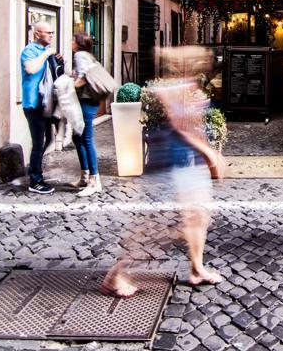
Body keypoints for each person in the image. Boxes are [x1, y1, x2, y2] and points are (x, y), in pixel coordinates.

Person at [101, 46, 225, 297]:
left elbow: (195, 125)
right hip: (170, 164)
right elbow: (182, 127)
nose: (205, 64)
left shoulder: (189, 87)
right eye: (199, 60)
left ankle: (197, 268)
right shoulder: (171, 89)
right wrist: (210, 154)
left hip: (188, 164)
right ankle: (116, 274)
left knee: (199, 217)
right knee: (155, 227)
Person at [20, 21, 63, 194]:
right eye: (48, 33)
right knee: (38, 143)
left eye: (52, 33)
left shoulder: (47, 52)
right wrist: (46, 55)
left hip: (46, 105)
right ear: (37, 34)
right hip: (33, 104)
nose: (51, 35)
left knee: (49, 140)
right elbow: (31, 69)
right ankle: (35, 180)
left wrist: (59, 62)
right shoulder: (29, 51)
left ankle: (35, 168)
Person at [71, 33, 102, 197]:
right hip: (90, 101)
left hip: (86, 101)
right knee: (77, 137)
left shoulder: (80, 55)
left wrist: (70, 87)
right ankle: (85, 175)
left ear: (78, 43)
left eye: (72, 40)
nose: (70, 42)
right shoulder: (89, 56)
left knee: (86, 139)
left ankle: (94, 180)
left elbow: (83, 78)